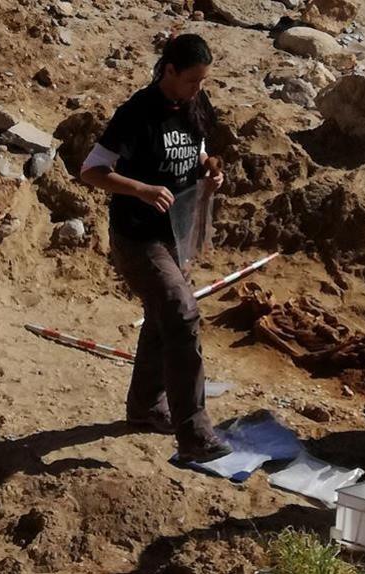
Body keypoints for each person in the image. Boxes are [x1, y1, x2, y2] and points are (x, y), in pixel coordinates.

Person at [80, 34, 230, 463]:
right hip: (137, 237)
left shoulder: (195, 106)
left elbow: (200, 152)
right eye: (191, 81)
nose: (198, 90)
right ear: (168, 71)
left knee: (166, 316)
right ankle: (195, 433)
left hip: (176, 234)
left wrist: (211, 172)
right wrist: (141, 189)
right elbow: (91, 170)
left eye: (203, 81)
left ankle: (146, 407)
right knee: (181, 314)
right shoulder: (137, 113)